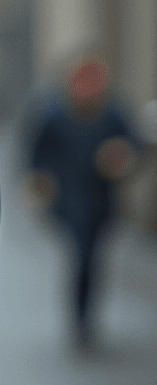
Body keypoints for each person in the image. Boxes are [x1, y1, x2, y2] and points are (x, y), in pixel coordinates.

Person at [28, 54, 138, 348]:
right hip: (68, 197)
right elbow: (35, 153)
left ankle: (86, 317)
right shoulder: (54, 113)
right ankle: (80, 321)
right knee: (81, 254)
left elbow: (133, 145)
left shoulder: (113, 113)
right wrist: (38, 181)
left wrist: (123, 155)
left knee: (93, 259)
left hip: (102, 199)